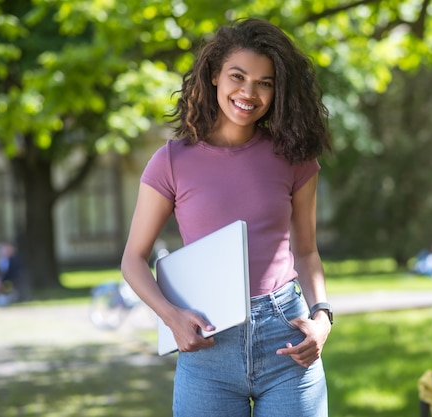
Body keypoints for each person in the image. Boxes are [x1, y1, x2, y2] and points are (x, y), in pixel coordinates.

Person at [120, 18, 333, 417]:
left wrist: (322, 317)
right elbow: (133, 259)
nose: (249, 92)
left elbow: (306, 252)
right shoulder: (170, 161)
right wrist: (172, 318)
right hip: (208, 346)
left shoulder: (296, 159)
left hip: (287, 339)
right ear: (215, 76)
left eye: (265, 82)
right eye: (238, 76)